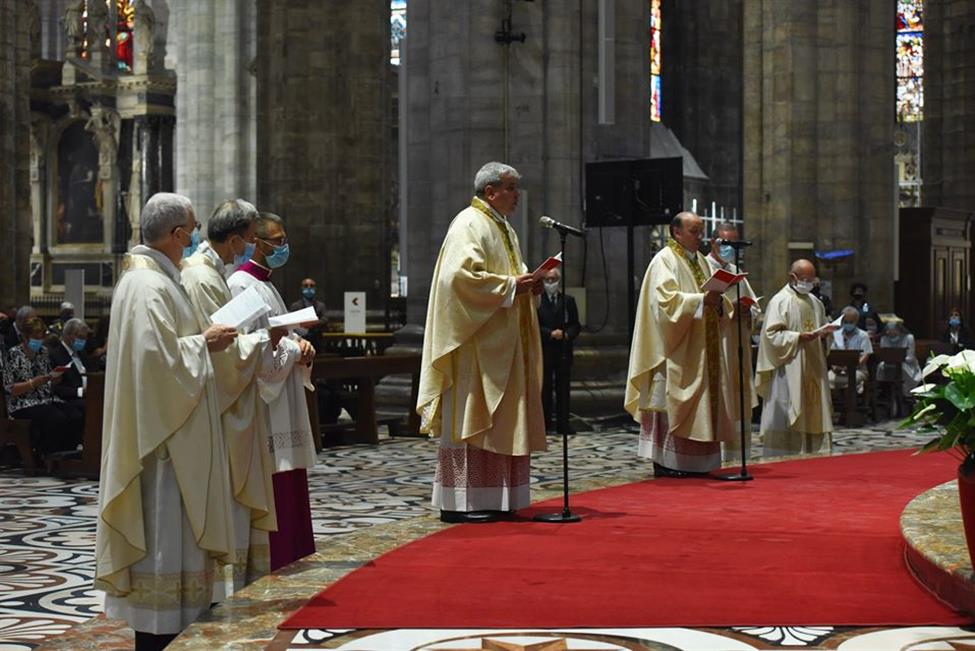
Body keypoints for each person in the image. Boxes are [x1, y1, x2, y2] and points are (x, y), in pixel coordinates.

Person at [95, 192, 239, 651]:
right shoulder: (148, 287)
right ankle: (160, 636)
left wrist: (198, 342)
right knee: (164, 537)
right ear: (178, 234)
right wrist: (205, 343)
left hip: (173, 434)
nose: (195, 236)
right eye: (193, 228)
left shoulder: (157, 279)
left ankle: (173, 630)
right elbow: (157, 365)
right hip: (163, 448)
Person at [417, 161, 546, 523]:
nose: (516, 195)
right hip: (476, 345)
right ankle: (462, 502)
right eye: (510, 188)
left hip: (502, 343)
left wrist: (528, 285)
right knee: (474, 417)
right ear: (490, 192)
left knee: (501, 420)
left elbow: (510, 277)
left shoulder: (503, 228)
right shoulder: (469, 223)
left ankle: (499, 498)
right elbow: (457, 280)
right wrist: (509, 286)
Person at [181, 199, 283, 596]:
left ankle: (236, 577)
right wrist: (265, 338)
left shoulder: (212, 272)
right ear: (236, 238)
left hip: (231, 399)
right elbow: (223, 353)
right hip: (222, 406)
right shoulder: (203, 277)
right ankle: (227, 580)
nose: (252, 245)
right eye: (251, 236)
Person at [227, 211, 318, 571]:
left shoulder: (267, 284)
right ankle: (277, 555)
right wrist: (295, 349)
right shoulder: (239, 284)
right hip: (267, 400)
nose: (284, 247)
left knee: (290, 474)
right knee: (275, 475)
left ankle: (296, 550)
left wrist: (301, 346)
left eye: (284, 240)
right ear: (257, 243)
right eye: (277, 241)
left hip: (286, 392)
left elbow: (281, 334)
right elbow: (250, 350)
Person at [625, 211, 738, 477]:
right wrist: (701, 301)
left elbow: (715, 296)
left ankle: (699, 464)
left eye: (701, 232)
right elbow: (664, 305)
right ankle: (667, 462)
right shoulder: (663, 261)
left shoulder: (701, 261)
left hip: (700, 347)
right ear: (676, 232)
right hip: (673, 350)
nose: (700, 238)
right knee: (669, 401)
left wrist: (720, 302)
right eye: (694, 232)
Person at [755, 259, 834, 458]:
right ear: (793, 277)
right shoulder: (780, 301)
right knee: (788, 407)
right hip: (788, 368)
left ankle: (813, 453)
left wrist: (825, 335)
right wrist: (798, 337)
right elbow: (771, 336)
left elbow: (822, 327)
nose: (809, 284)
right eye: (805, 279)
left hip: (814, 366)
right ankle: (784, 454)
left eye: (812, 280)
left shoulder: (816, 303)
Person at [705, 222, 760, 461]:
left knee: (737, 396)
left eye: (734, 245)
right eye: (726, 244)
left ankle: (739, 456)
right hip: (717, 345)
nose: (729, 249)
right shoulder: (703, 267)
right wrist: (729, 311)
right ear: (713, 242)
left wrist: (748, 312)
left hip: (737, 343)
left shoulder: (737, 272)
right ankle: (719, 456)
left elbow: (755, 306)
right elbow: (702, 305)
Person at [1, 316, 83, 456]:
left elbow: (47, 379)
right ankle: (47, 453)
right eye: (35, 337)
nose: (38, 340)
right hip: (23, 402)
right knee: (56, 417)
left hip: (45, 398)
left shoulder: (43, 352)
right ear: (25, 337)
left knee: (75, 413)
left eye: (41, 337)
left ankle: (67, 452)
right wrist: (33, 383)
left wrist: (53, 379)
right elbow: (10, 388)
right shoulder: (14, 354)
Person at [536, 267, 580, 433]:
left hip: (563, 350)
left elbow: (575, 324)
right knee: (545, 389)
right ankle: (545, 424)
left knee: (563, 389)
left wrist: (567, 334)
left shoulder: (568, 301)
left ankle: (563, 423)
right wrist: (550, 333)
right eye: (547, 280)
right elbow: (534, 325)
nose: (550, 283)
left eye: (553, 279)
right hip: (545, 349)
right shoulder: (538, 302)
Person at [49, 317, 90, 416]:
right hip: (69, 398)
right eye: (80, 337)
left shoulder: (82, 354)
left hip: (89, 395)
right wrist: (80, 391)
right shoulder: (55, 355)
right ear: (67, 335)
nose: (83, 341)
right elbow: (55, 387)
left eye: (85, 338)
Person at [828, 306, 873, 395]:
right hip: (838, 370)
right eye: (845, 322)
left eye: (851, 322)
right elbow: (832, 354)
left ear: (856, 321)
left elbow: (866, 355)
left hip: (858, 370)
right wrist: (835, 367)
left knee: (852, 380)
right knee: (826, 378)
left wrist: (852, 367)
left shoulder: (863, 335)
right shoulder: (837, 335)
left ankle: (851, 405)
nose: (848, 324)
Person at [877, 317, 922, 396]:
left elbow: (910, 357)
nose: (888, 332)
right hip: (889, 364)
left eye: (891, 329)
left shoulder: (909, 338)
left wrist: (899, 359)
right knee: (881, 366)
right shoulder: (884, 338)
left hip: (907, 365)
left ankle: (905, 394)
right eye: (887, 329)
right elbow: (883, 354)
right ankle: (884, 391)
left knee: (901, 368)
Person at [289, 278, 328, 352]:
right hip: (300, 341)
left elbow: (325, 319)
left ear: (315, 288)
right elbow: (291, 322)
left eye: (311, 286)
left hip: (317, 341)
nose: (309, 288)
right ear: (302, 288)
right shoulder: (295, 306)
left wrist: (313, 323)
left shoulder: (321, 305)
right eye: (306, 286)